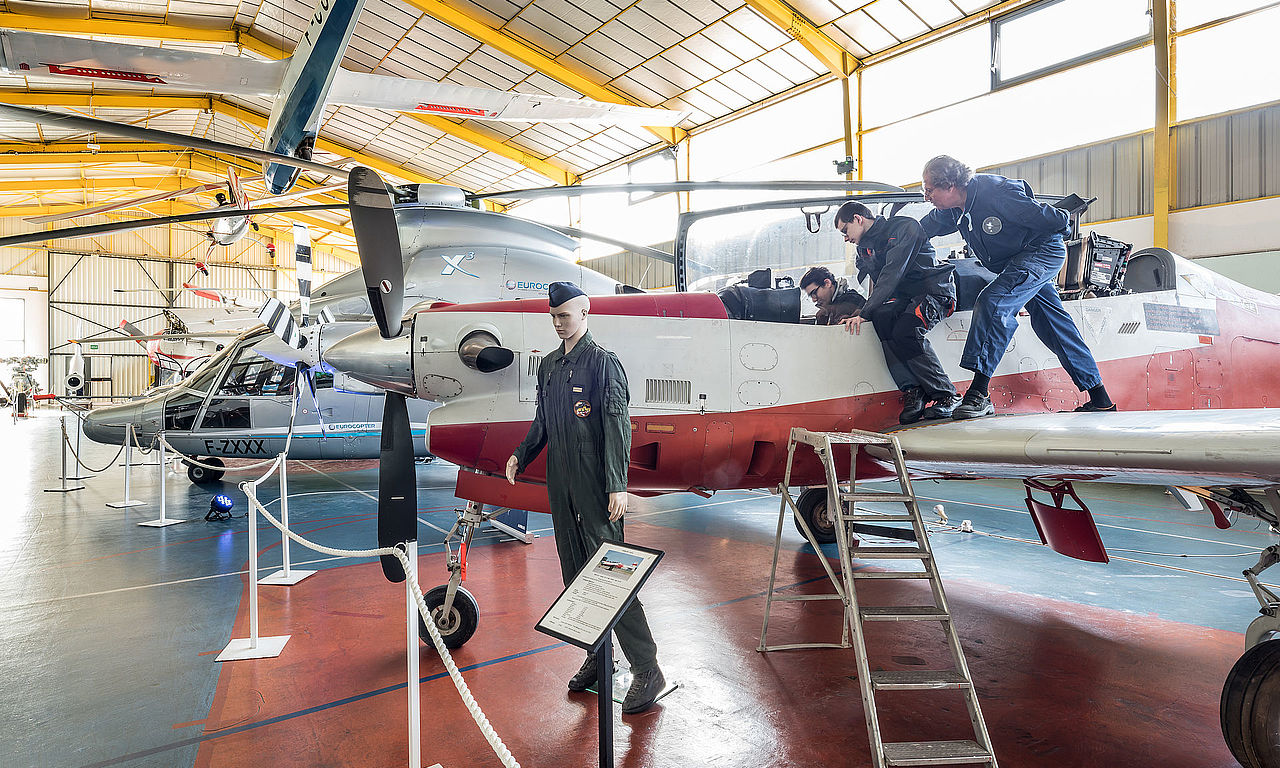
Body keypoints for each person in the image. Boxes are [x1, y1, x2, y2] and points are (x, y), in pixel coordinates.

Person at [505, 281, 665, 714]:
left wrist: (617, 483)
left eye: (564, 316)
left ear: (584, 313)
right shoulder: (550, 366)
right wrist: (521, 453)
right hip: (561, 480)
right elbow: (543, 420)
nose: (558, 324)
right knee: (574, 570)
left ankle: (647, 667)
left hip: (595, 483)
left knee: (611, 573)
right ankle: (598, 656)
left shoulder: (603, 364)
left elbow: (617, 425)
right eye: (553, 317)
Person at [919, 155, 1115, 418]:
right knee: (1053, 325)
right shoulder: (954, 208)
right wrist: (888, 236)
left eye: (929, 190)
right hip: (1016, 263)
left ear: (950, 185)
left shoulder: (997, 193)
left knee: (993, 301)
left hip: (1041, 252)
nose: (927, 197)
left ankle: (979, 394)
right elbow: (922, 228)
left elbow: (1055, 220)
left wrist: (1062, 217)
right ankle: (1101, 399)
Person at [832, 200, 959, 423]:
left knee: (907, 329)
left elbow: (892, 274)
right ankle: (914, 390)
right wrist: (864, 312)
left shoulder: (904, 228)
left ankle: (946, 394)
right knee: (880, 319)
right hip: (904, 297)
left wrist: (864, 312)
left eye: (845, 230)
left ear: (858, 219)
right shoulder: (864, 248)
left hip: (933, 291)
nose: (845, 238)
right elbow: (874, 281)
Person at [799, 265, 865, 326]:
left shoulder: (853, 302)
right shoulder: (824, 312)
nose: (814, 300)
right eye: (810, 296)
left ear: (827, 283)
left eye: (814, 293)